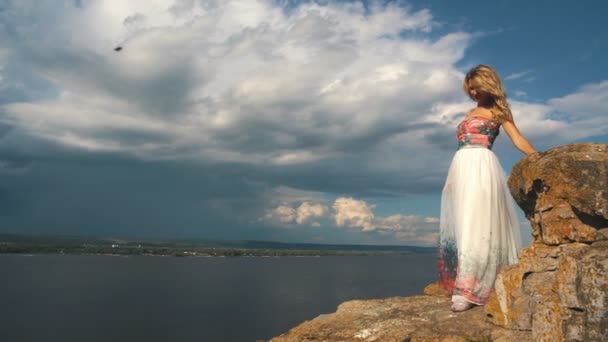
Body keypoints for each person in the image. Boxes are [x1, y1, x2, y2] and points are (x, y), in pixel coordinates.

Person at [438, 64, 536, 312]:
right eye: (468, 88)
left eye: (475, 87)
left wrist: (538, 157)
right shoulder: (470, 111)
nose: (471, 92)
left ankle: (469, 288)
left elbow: (518, 139)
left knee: (478, 223)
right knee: (463, 225)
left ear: (487, 84)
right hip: (460, 167)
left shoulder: (499, 111)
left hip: (482, 166)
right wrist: (452, 181)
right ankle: (467, 281)